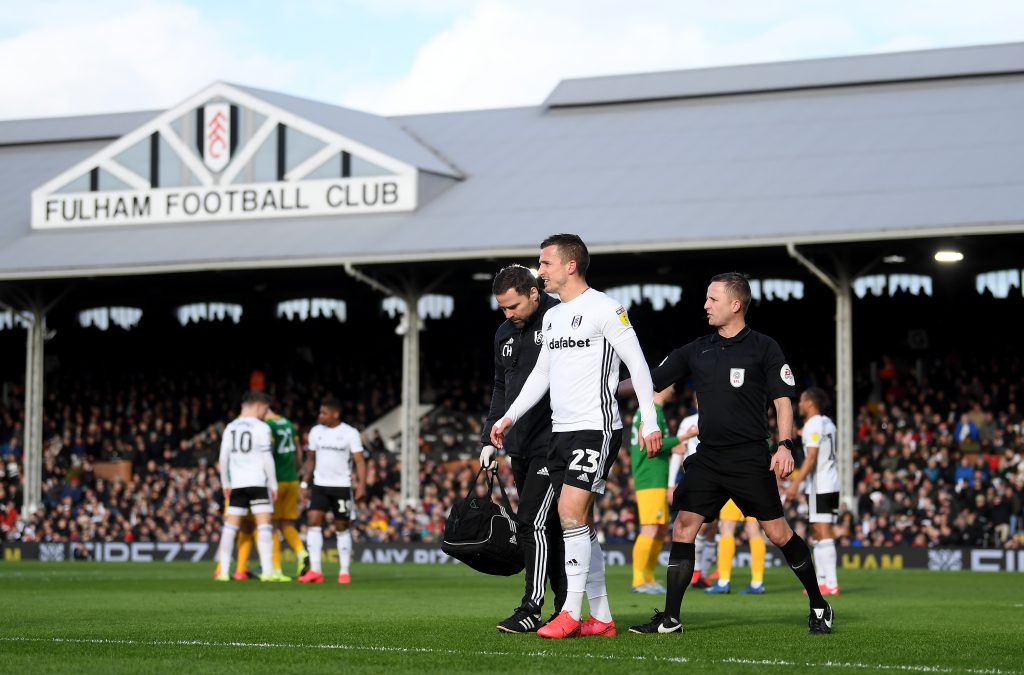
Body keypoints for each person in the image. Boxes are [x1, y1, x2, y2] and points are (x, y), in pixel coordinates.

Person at [625, 272, 834, 636]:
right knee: (684, 526)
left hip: (750, 457)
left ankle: (819, 603)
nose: (705, 305)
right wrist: (600, 387)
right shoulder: (697, 348)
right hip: (708, 458)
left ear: (735, 304)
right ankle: (671, 618)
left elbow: (783, 403)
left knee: (778, 533)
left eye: (712, 299)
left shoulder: (764, 347)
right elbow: (648, 378)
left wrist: (784, 446)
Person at [491, 233, 663, 639]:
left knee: (568, 513)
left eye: (545, 263)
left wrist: (649, 421)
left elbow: (638, 367)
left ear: (570, 265)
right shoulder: (552, 317)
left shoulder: (606, 309)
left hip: (596, 427)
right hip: (559, 431)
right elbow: (542, 375)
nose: (540, 270)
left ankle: (569, 610)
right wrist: (510, 416)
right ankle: (601, 617)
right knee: (580, 520)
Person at [480, 263, 567, 633]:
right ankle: (567, 608)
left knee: (533, 523)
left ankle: (532, 607)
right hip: (519, 445)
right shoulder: (504, 332)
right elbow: (501, 387)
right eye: (502, 307)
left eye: (513, 306)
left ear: (534, 293)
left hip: (555, 442)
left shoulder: (562, 319)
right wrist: (489, 436)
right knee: (552, 527)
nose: (508, 314)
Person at [297, 398, 367, 584]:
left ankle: (344, 572)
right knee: (313, 522)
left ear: (335, 414)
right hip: (320, 485)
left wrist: (361, 486)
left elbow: (359, 461)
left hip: (342, 487)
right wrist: (304, 484)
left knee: (342, 527)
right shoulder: (315, 432)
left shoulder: (349, 433)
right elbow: (310, 459)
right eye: (320, 413)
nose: (320, 416)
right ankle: (315, 570)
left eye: (324, 413)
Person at [215, 391, 279, 582]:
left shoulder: (230, 427)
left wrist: (225, 482)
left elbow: (223, 458)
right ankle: (268, 572)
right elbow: (267, 458)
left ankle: (223, 571)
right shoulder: (262, 427)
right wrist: (273, 484)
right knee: (264, 526)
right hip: (258, 482)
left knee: (230, 527)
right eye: (265, 409)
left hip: (238, 484)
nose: (265, 414)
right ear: (258, 406)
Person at [786, 386, 840, 595]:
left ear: (810, 403)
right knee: (818, 531)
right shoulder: (827, 423)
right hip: (828, 481)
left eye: (801, 401)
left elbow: (811, 457)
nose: (799, 404)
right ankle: (823, 581)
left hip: (822, 483)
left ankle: (831, 583)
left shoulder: (814, 424)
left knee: (823, 531)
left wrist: (794, 484)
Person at [630, 384, 683, 594]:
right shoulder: (649, 412)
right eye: (669, 383)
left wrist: (674, 446)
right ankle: (638, 580)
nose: (672, 387)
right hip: (649, 478)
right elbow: (653, 441)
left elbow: (658, 444)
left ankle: (649, 577)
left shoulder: (657, 412)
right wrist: (682, 438)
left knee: (660, 530)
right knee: (650, 529)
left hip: (657, 478)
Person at [674, 401, 716, 589]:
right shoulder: (688, 422)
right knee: (697, 526)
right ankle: (696, 572)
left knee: (712, 528)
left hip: (719, 476)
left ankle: (703, 573)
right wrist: (670, 484)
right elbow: (678, 451)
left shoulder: (719, 416)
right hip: (696, 476)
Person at [265, 407, 309, 579]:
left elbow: (269, 451)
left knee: (273, 526)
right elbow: (298, 453)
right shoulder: (289, 424)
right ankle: (301, 553)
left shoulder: (267, 425)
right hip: (292, 479)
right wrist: (296, 471)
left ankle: (276, 569)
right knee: (287, 523)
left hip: (277, 480)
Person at [704, 499, 767, 595]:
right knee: (753, 530)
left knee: (727, 527)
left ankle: (723, 581)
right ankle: (757, 583)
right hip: (754, 489)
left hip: (734, 487)